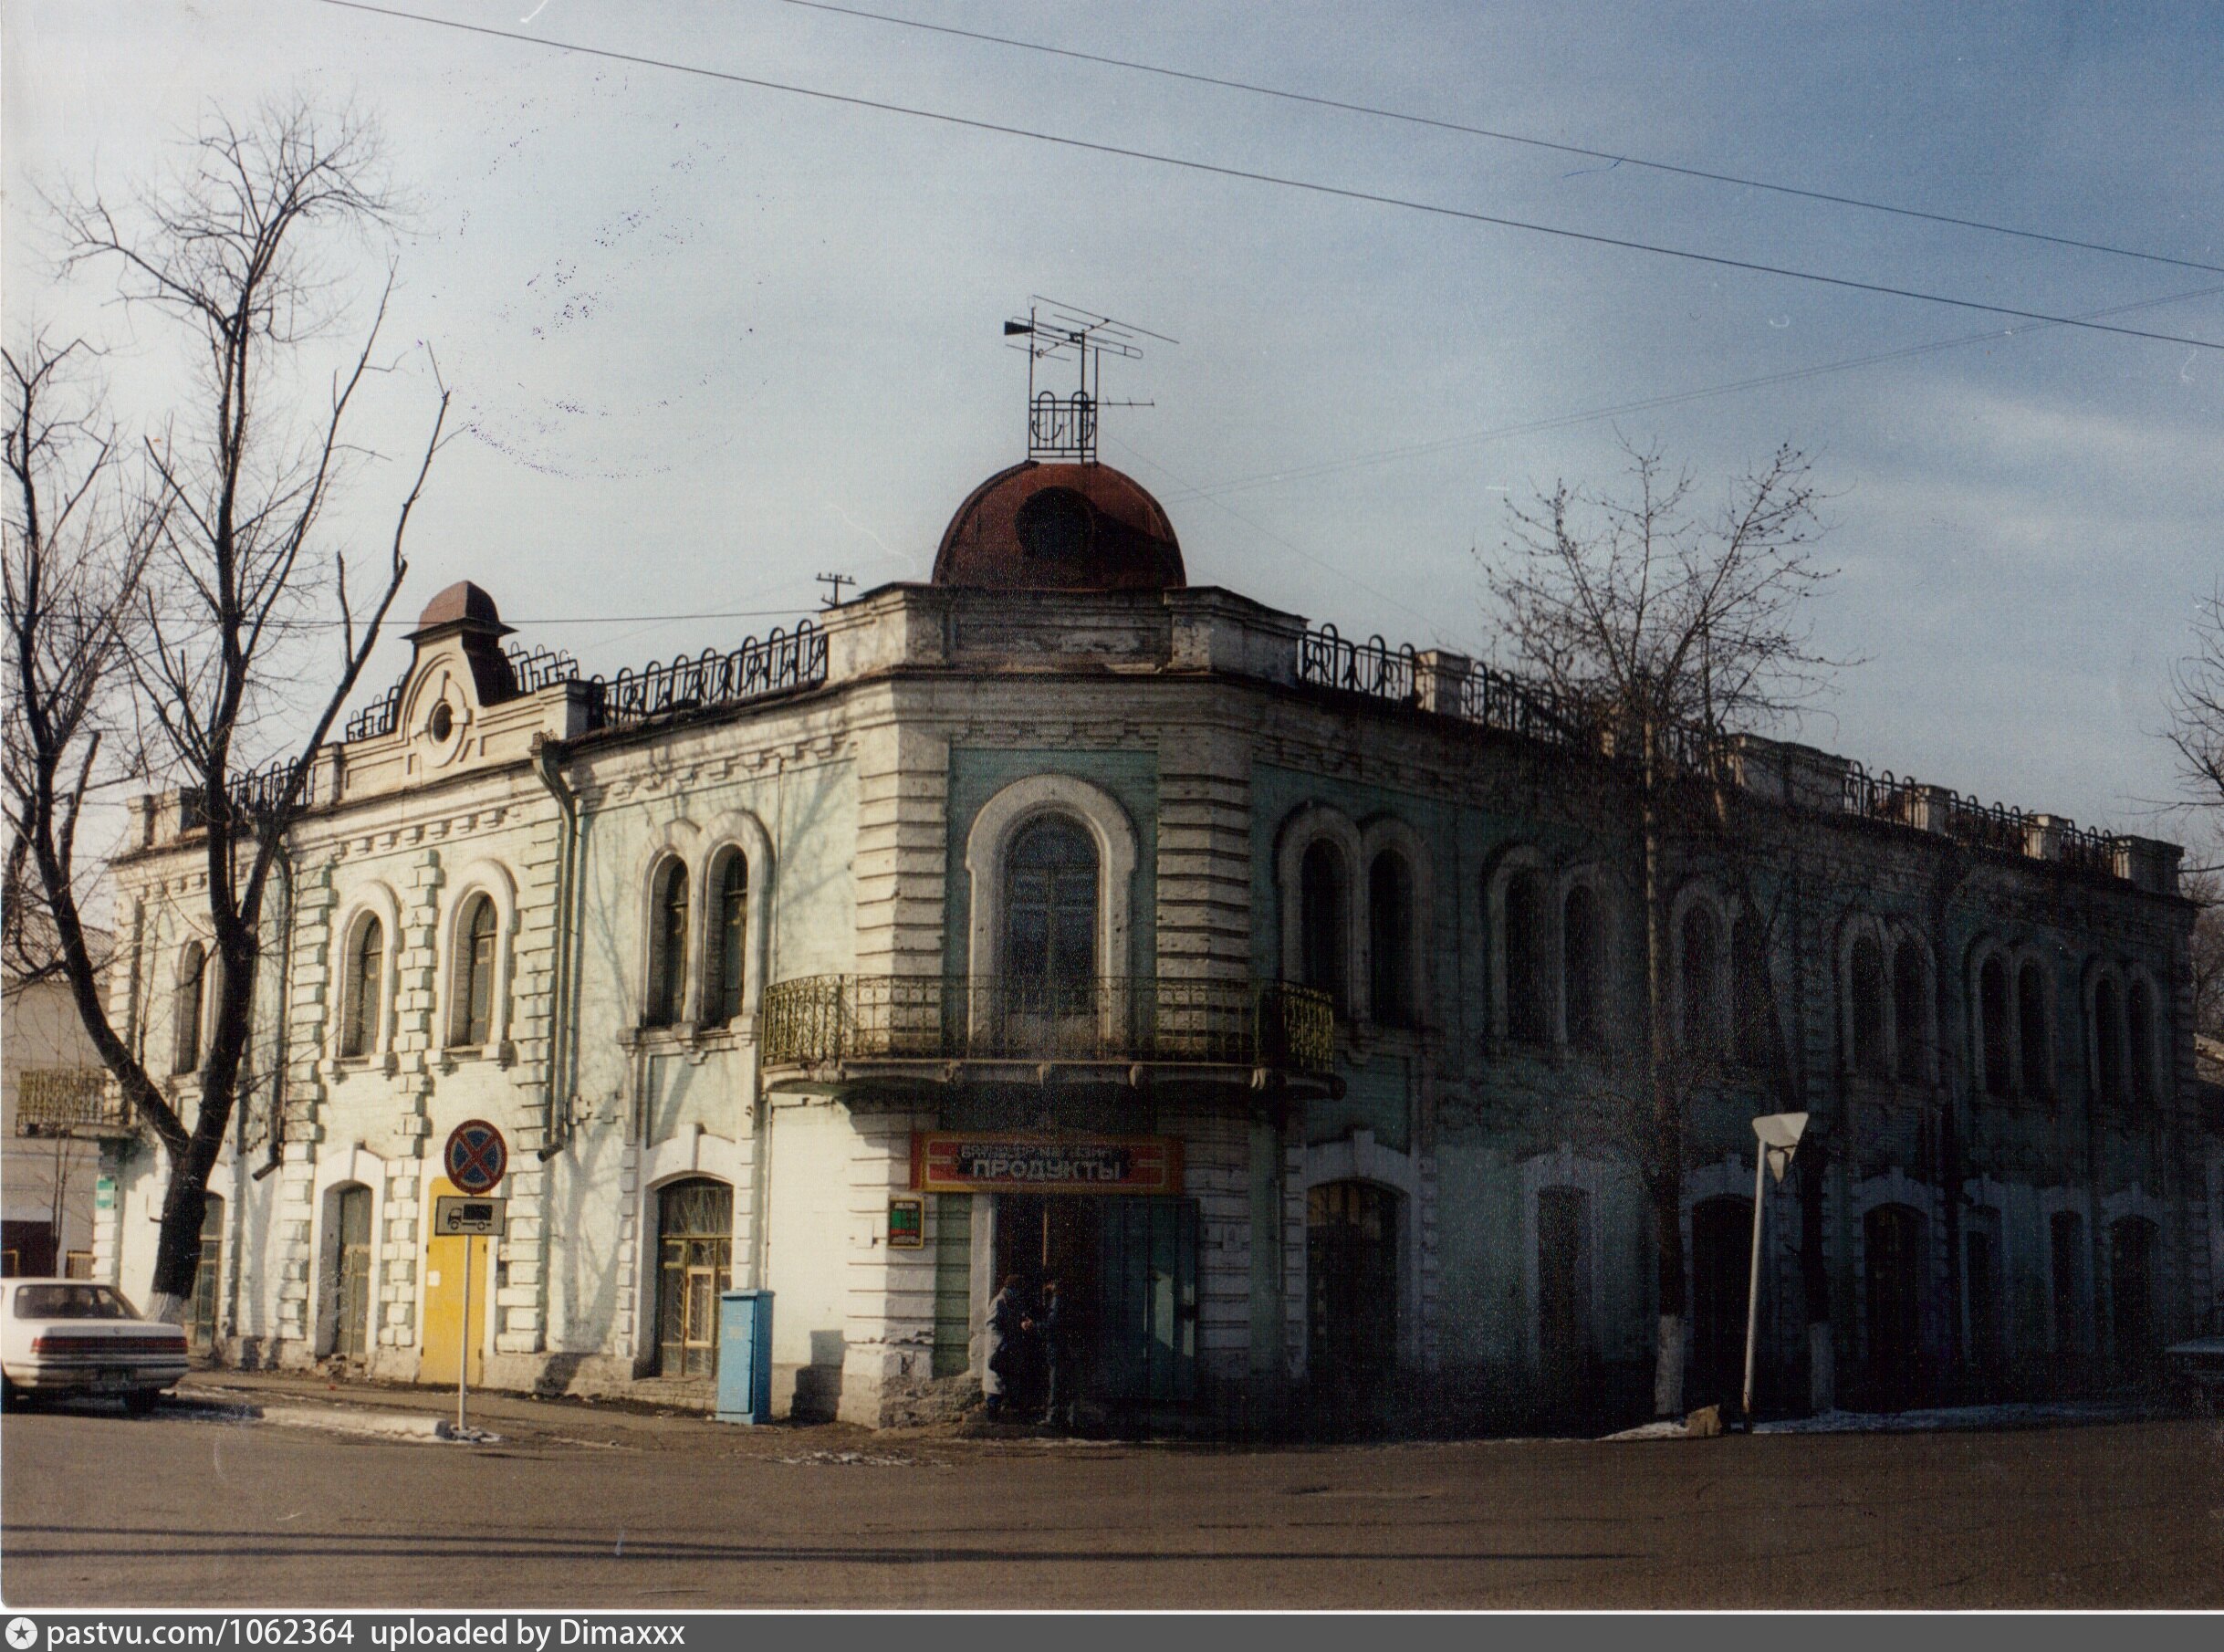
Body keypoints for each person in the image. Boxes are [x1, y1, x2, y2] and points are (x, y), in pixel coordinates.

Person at [984, 1273, 1029, 1420]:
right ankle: (992, 1414)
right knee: (995, 1384)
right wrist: (1001, 1343)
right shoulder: (999, 1302)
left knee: (1005, 1381)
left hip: (1008, 1347)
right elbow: (991, 1325)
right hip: (999, 1349)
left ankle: (1004, 1412)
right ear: (1012, 1288)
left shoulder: (1010, 1301)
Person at [1037, 1276, 1071, 1429]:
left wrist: (1034, 1326)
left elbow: (1052, 1324)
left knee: (1055, 1381)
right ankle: (1061, 1415)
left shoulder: (1057, 1301)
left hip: (1056, 1346)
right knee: (1059, 1380)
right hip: (1060, 1346)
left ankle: (1053, 1416)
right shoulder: (1061, 1300)